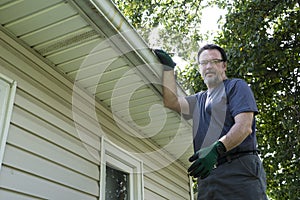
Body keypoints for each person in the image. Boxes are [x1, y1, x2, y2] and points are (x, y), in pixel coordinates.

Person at [154, 44, 268, 199]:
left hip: (239, 170)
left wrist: (217, 149)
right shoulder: (199, 100)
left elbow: (244, 126)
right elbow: (171, 101)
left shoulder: (236, 86)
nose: (208, 66)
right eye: (204, 63)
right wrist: (168, 68)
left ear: (224, 65)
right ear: (200, 69)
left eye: (214, 61)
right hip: (208, 176)